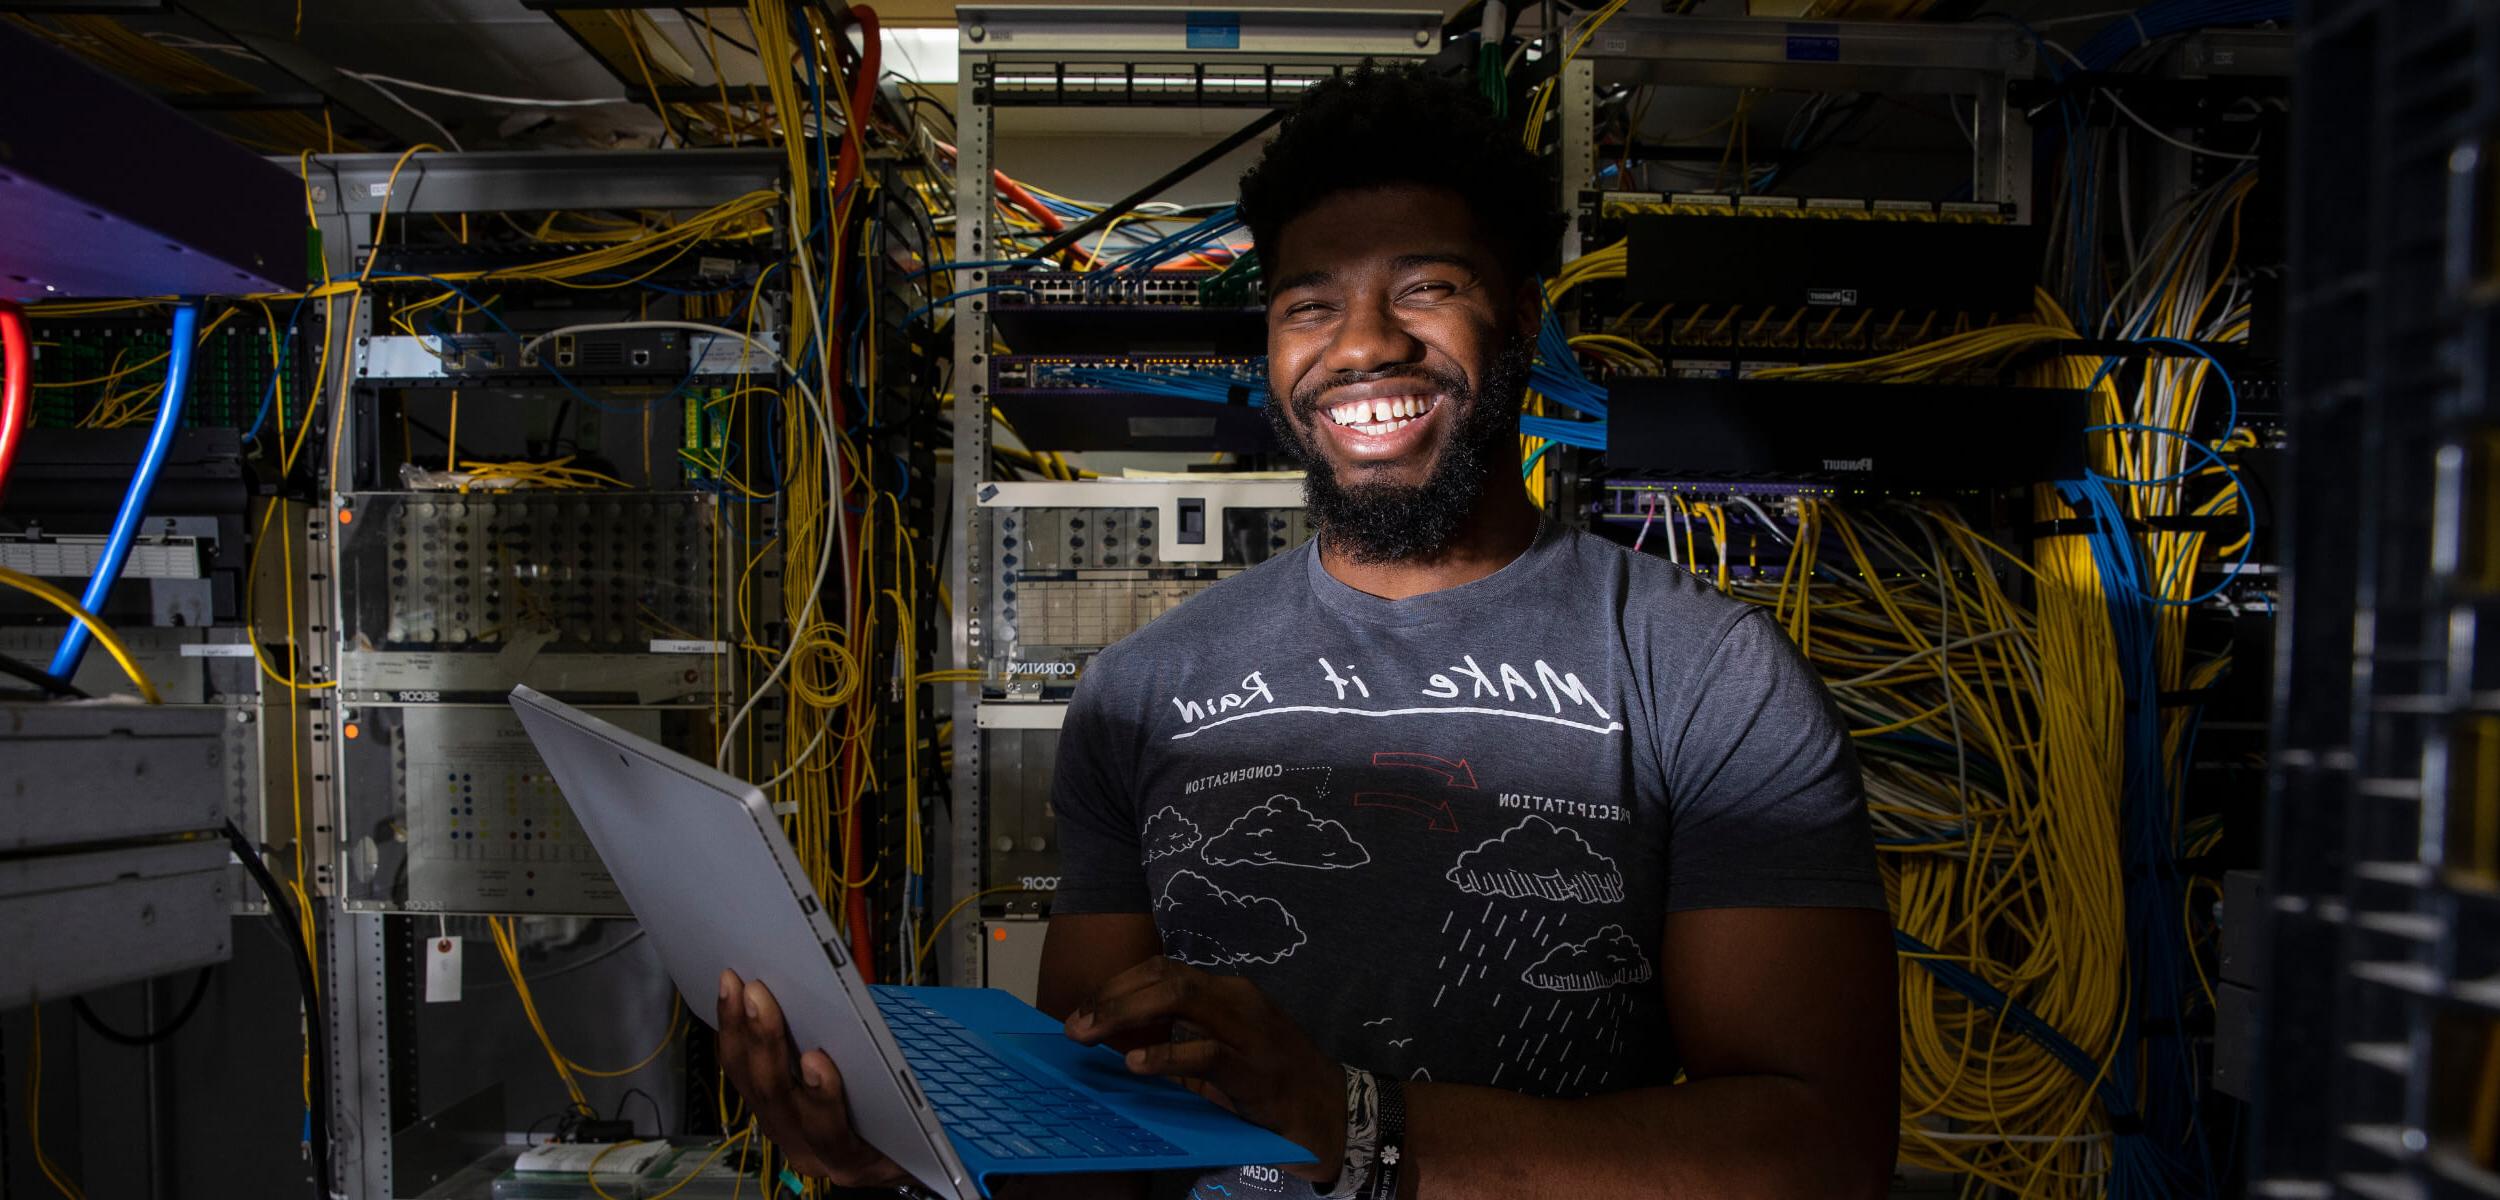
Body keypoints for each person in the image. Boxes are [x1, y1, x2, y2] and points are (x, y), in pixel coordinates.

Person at [716, 63, 1899, 1198]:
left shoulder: (1704, 676)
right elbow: (1091, 1122)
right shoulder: (1141, 691)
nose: (1365, 343)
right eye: (1310, 305)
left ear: (1524, 319)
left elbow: (1817, 1149)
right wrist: (909, 1156)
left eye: (1426, 288)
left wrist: (1356, 1128)